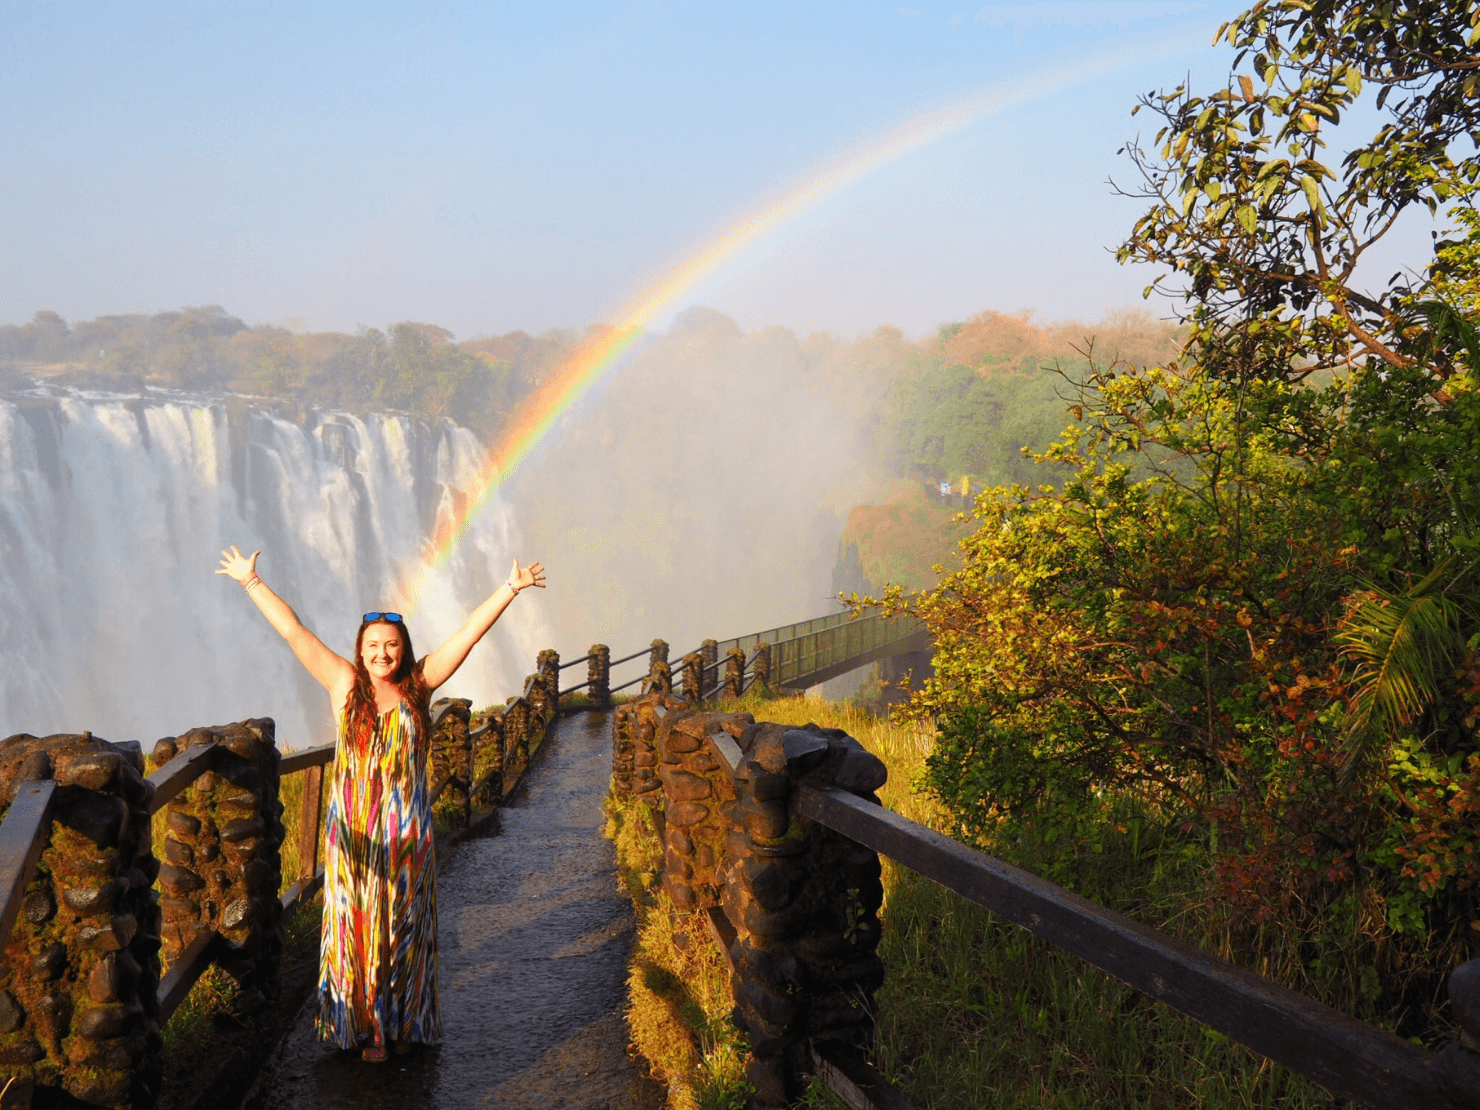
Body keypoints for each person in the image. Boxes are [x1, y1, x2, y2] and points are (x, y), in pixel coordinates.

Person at [215, 545, 546, 1062]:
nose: (381, 653)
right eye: (373, 644)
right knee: (355, 927)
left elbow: (467, 636)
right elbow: (294, 633)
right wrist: (251, 582)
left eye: (391, 644)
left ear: (404, 649)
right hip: (354, 835)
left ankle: (398, 1023)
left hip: (407, 835)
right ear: (360, 647)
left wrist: (510, 588)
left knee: (401, 929)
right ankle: (363, 1029)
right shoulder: (344, 684)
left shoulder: (420, 686)